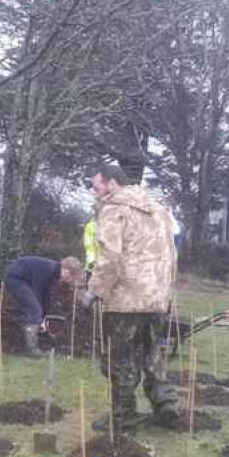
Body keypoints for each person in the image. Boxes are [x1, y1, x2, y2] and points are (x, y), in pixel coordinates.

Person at [81, 164, 179, 434]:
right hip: (156, 296)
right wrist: (166, 290)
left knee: (120, 357)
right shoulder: (157, 210)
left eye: (96, 185)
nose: (94, 191)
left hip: (126, 299)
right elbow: (172, 254)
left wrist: (94, 290)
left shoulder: (114, 209)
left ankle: (124, 415)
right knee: (153, 352)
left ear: (112, 184)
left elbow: (110, 257)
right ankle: (165, 403)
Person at [4, 256, 83, 357]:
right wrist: (39, 319)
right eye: (71, 277)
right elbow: (37, 292)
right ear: (66, 271)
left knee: (34, 309)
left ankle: (24, 344)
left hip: (22, 279)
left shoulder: (52, 271)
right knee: (34, 308)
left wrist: (44, 317)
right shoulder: (48, 268)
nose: (70, 280)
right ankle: (31, 349)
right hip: (15, 277)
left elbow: (45, 296)